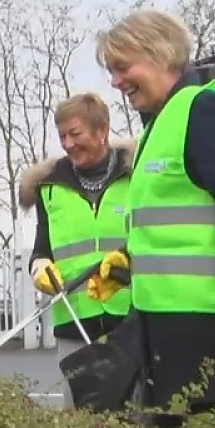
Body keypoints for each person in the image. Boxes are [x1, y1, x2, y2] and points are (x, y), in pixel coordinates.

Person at [93, 9, 215, 426]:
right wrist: (129, 259)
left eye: (122, 67)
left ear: (159, 55)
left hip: (209, 333)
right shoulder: (161, 124)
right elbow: (180, 217)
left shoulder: (207, 109)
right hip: (163, 331)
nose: (115, 81)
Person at [19, 92, 134, 410]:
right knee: (78, 416)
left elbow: (150, 238)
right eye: (62, 136)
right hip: (74, 322)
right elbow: (42, 249)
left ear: (102, 131)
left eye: (76, 133)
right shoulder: (49, 187)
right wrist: (39, 267)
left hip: (130, 321)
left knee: (137, 414)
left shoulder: (136, 178)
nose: (68, 144)